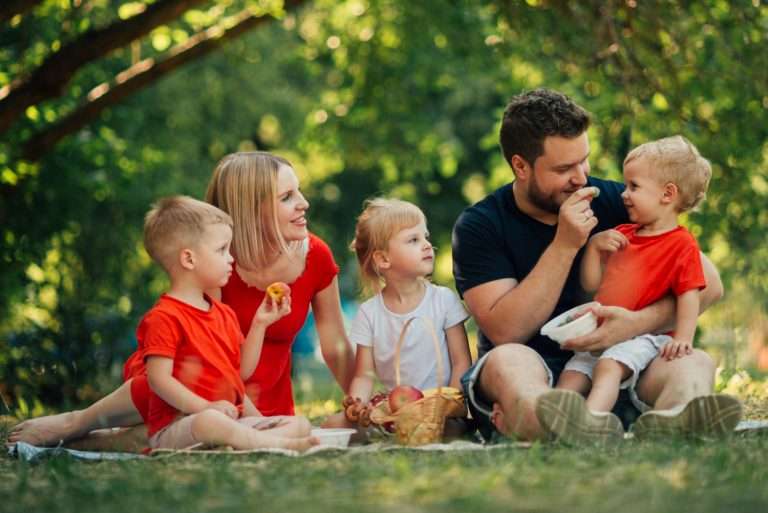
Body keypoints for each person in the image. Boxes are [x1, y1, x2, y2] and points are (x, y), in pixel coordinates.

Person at [451, 88, 741, 444]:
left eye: (583, 160)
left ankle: (674, 420)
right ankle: (559, 422)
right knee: (506, 360)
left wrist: (636, 323)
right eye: (564, 169)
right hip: (535, 371)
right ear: (520, 166)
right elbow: (507, 332)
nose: (581, 177)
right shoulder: (479, 226)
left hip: (620, 367)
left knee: (694, 362)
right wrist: (565, 244)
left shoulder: (618, 201)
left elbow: (710, 284)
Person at [8, 151, 355, 447]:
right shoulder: (213, 262)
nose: (304, 203)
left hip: (249, 401)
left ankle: (117, 439)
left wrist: (360, 402)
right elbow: (202, 361)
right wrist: (213, 407)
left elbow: (336, 347)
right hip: (192, 387)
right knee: (184, 420)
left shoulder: (316, 255)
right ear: (251, 209)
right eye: (287, 197)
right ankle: (77, 424)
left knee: (193, 433)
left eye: (298, 192)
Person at [536, 135, 720, 444]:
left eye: (634, 186)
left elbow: (689, 293)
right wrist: (593, 248)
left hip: (642, 338)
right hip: (602, 331)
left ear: (667, 194)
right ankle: (556, 421)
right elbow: (591, 285)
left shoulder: (681, 244)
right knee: (574, 372)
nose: (624, 195)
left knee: (608, 368)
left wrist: (684, 338)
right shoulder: (623, 234)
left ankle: (591, 422)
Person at [137, 196, 316, 451]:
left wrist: (260, 324)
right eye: (221, 250)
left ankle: (260, 440)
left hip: (229, 420)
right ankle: (274, 444)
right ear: (189, 259)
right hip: (181, 425)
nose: (231, 258)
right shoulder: (164, 317)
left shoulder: (223, 314)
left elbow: (241, 371)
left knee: (300, 423)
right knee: (210, 422)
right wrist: (205, 407)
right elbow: (158, 380)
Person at [323, 198, 471, 431]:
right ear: (383, 259)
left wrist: (446, 407)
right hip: (396, 410)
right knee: (335, 424)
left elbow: (461, 362)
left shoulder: (444, 300)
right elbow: (364, 375)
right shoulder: (370, 313)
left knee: (452, 430)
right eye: (413, 240)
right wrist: (358, 404)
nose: (427, 245)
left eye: (425, 237)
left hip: (441, 407)